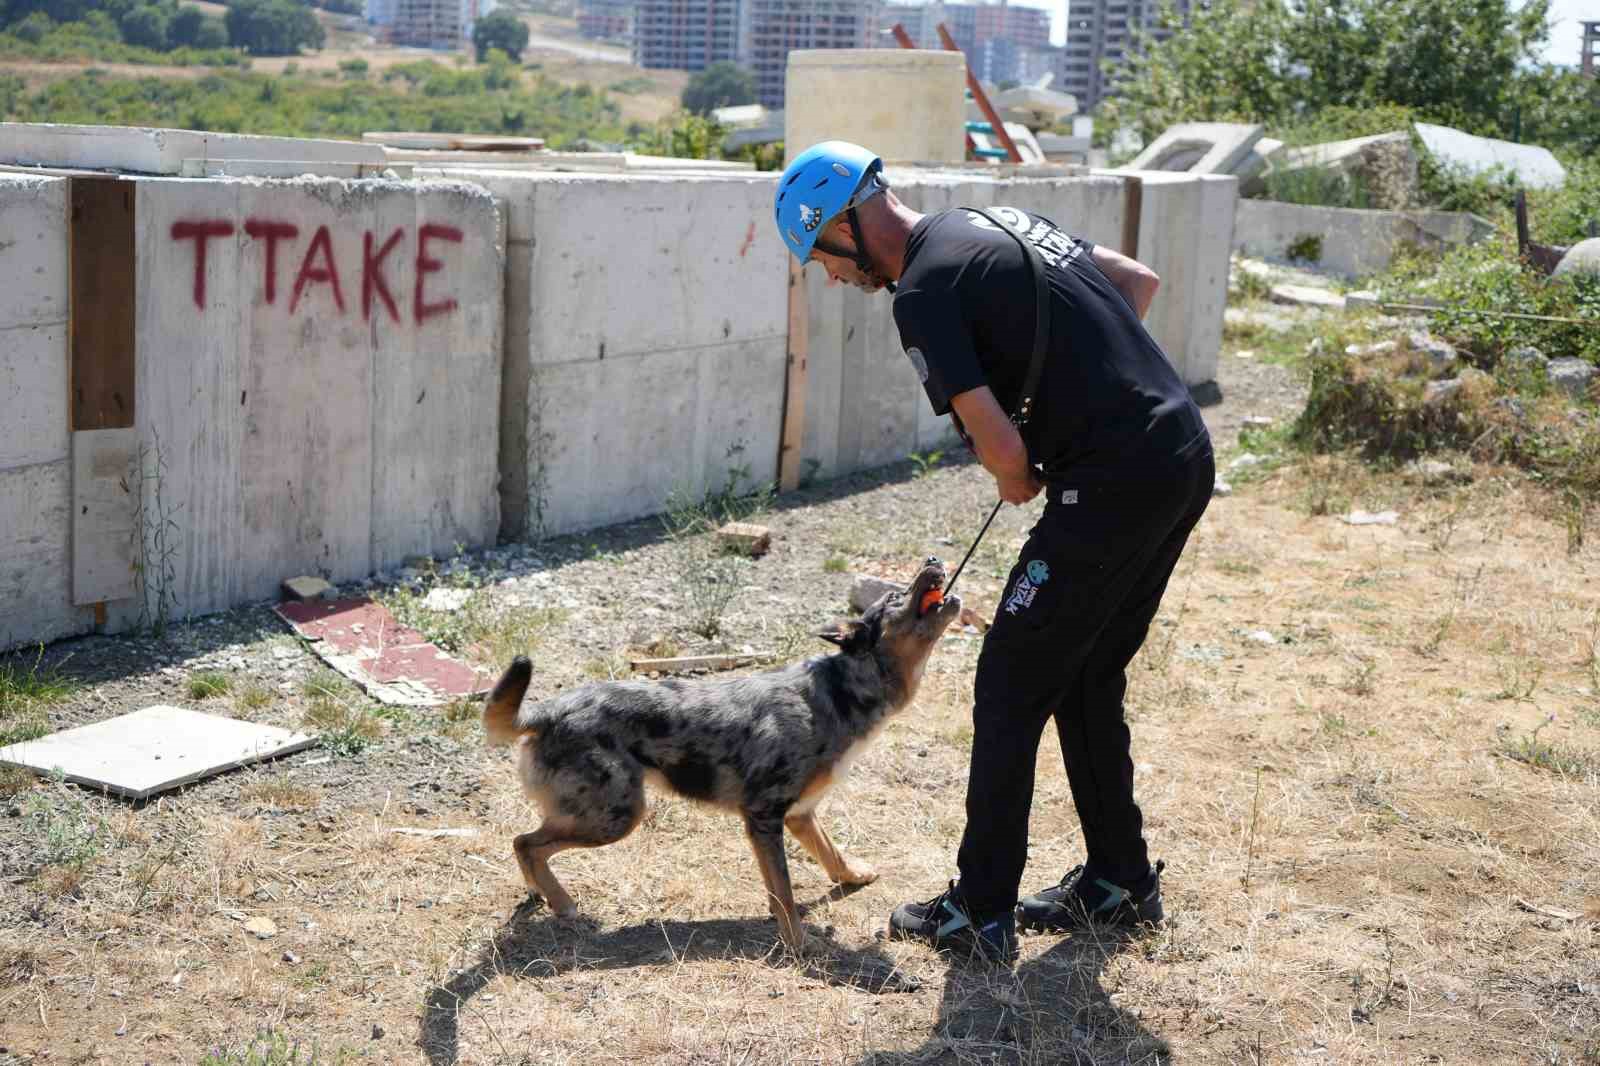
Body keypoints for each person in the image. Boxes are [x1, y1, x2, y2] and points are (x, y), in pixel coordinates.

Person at [772, 141, 1214, 963]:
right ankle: (1120, 882)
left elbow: (1008, 461)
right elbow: (1134, 283)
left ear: (841, 225)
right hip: (1180, 452)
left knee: (1008, 680)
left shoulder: (923, 292)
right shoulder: (992, 221)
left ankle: (978, 909)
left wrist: (1031, 459)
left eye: (822, 257)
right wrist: (1091, 390)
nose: (833, 278)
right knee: (1084, 673)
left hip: (1111, 485)